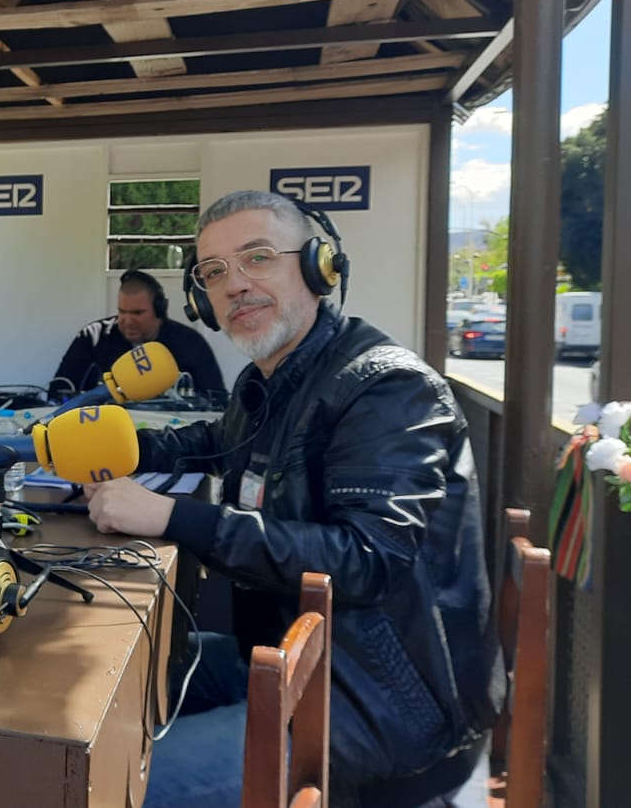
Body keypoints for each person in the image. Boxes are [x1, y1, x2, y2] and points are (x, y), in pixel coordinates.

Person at [85, 191, 499, 808]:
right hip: (297, 655)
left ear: (318, 267)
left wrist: (173, 515)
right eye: (215, 272)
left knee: (110, 785)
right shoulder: (269, 378)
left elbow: (367, 560)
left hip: (386, 703)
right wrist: (123, 449)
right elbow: (214, 442)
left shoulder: (387, 387)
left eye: (258, 257)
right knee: (123, 675)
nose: (234, 285)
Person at [51, 269, 225, 399]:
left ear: (159, 310)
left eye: (137, 313)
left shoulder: (190, 343)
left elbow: (217, 400)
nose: (127, 320)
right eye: (122, 311)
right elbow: (59, 392)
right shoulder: (93, 337)